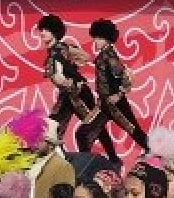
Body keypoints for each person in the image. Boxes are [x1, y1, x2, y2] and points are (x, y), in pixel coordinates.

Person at [35, 14, 118, 165]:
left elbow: (80, 60)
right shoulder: (60, 49)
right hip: (68, 95)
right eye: (42, 29)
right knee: (53, 126)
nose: (42, 33)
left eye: (46, 29)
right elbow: (85, 57)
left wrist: (66, 78)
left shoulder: (57, 52)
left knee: (92, 125)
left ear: (54, 32)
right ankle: (58, 161)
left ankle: (111, 158)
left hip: (78, 93)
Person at [86, 18, 150, 156]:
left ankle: (156, 155)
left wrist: (119, 95)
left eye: (98, 38)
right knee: (85, 132)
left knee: (134, 130)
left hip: (115, 104)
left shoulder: (110, 56)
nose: (95, 41)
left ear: (106, 39)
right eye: (95, 37)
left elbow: (125, 77)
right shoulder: (103, 55)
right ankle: (112, 159)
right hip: (103, 104)